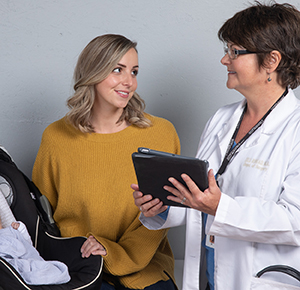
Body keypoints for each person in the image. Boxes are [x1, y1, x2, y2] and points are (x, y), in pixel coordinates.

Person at [132, 2, 300, 290]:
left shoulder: (296, 129)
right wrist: (159, 207)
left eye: (235, 52)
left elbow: (294, 220)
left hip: (259, 279)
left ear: (272, 61)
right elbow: (200, 198)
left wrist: (221, 207)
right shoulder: (222, 119)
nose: (225, 60)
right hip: (207, 276)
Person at [32, 34, 180, 290]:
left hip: (144, 268)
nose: (129, 82)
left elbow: (164, 215)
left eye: (134, 71)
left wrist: (115, 253)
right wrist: (82, 250)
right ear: (92, 73)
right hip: (79, 264)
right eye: (117, 70)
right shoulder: (56, 137)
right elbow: (43, 219)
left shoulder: (161, 133)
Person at [0, 218, 70, 285]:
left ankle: (40, 274)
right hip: (10, 266)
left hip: (28, 259)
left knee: (49, 268)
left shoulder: (11, 231)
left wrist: (21, 229)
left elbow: (28, 245)